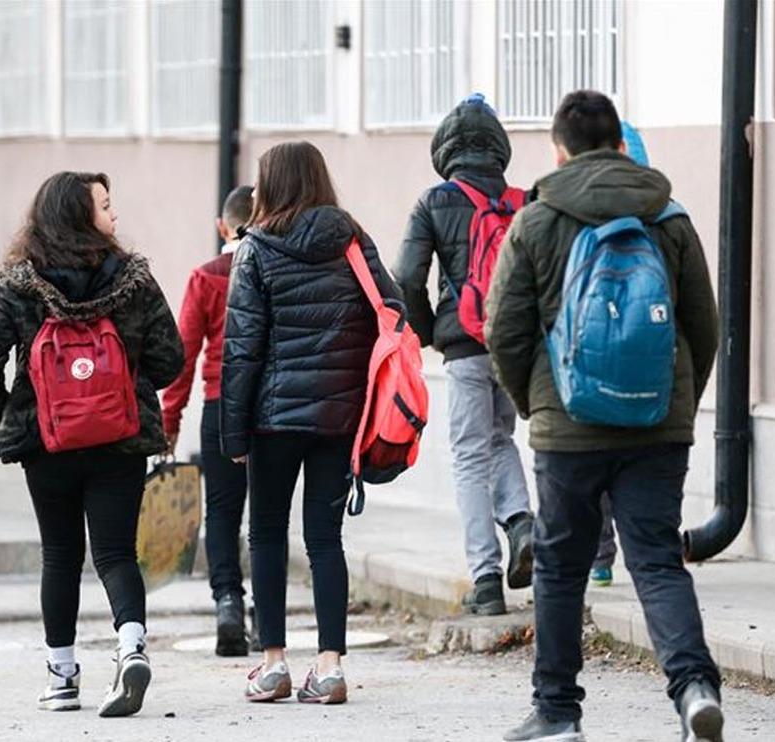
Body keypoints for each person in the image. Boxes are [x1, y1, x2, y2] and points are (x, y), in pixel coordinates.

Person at [486, 91, 723, 741]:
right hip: (657, 425)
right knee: (655, 558)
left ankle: (559, 713)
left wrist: (535, 404)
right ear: (620, 144)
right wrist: (677, 403)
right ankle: (695, 687)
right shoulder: (667, 216)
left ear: (558, 149)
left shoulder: (536, 219)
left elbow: (503, 329)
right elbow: (704, 327)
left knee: (561, 565)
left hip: (567, 425)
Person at [0, 172, 184, 717]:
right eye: (106, 207)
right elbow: (170, 359)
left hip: (47, 441)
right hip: (121, 439)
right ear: (82, 216)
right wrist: (124, 386)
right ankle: (131, 646)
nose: (115, 217)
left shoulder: (18, 283)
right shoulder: (134, 282)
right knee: (115, 552)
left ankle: (62, 676)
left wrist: (6, 411)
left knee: (60, 555)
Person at [220, 141, 402, 705]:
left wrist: (232, 431)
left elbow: (242, 349)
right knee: (326, 539)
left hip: (272, 420)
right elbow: (393, 309)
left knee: (268, 534)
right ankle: (330, 667)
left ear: (269, 185)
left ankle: (273, 665)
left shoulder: (254, 250)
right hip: (339, 416)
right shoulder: (352, 241)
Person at [394, 93, 534, 616]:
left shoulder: (435, 202)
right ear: (498, 147)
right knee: (502, 437)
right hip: (517, 348)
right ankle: (522, 522)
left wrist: (432, 331)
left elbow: (406, 277)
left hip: (466, 346)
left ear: (445, 149)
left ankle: (486, 577)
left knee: (470, 455)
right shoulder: (524, 202)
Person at [161, 185, 256, 657]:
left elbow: (183, 355)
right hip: (271, 408)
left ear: (223, 226)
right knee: (268, 512)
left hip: (221, 407)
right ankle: (265, 606)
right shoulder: (276, 271)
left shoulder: (206, 277)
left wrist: (170, 417)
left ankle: (227, 603)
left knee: (222, 511)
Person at [590, 120, 650, 589]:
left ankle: (601, 556)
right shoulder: (666, 216)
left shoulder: (578, 216)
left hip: (595, 358)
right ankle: (647, 555)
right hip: (648, 360)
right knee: (640, 460)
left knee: (597, 460)